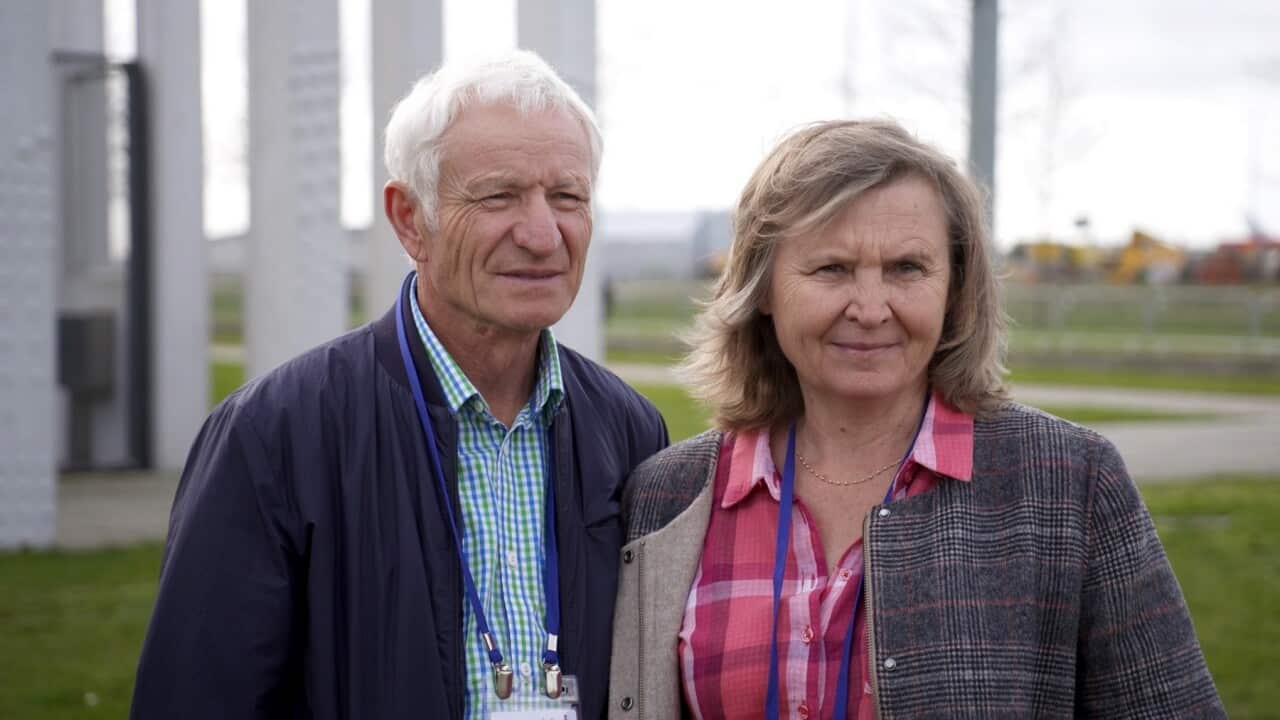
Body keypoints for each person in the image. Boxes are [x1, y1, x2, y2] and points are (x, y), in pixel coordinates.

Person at [608, 120, 1223, 719]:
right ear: (762, 287)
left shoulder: (1068, 483)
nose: (871, 309)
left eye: (906, 268)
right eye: (831, 268)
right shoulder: (671, 495)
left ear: (955, 288)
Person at [131, 50, 668, 720]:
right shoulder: (274, 436)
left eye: (567, 197)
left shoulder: (632, 433)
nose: (542, 235)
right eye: (498, 196)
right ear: (411, 219)